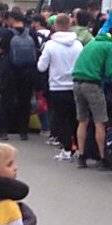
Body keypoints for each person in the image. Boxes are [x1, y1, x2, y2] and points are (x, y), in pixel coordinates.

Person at [71, 27, 112, 170]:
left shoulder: (92, 42)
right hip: (92, 84)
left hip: (77, 81)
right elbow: (111, 71)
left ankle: (81, 155)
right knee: (100, 121)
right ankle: (103, 158)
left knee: (82, 120)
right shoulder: (111, 46)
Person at [37, 13, 83, 160]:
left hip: (57, 86)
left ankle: (67, 149)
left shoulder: (50, 44)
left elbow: (41, 67)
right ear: (70, 25)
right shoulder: (78, 44)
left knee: (61, 119)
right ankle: (77, 147)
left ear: (55, 25)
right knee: (74, 118)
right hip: (74, 85)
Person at [0, 9, 39, 141]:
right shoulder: (31, 32)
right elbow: (36, 48)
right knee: (24, 101)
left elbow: (0, 49)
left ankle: (3, 131)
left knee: (7, 100)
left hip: (10, 71)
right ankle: (23, 131)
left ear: (12, 19)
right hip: (28, 71)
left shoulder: (8, 33)